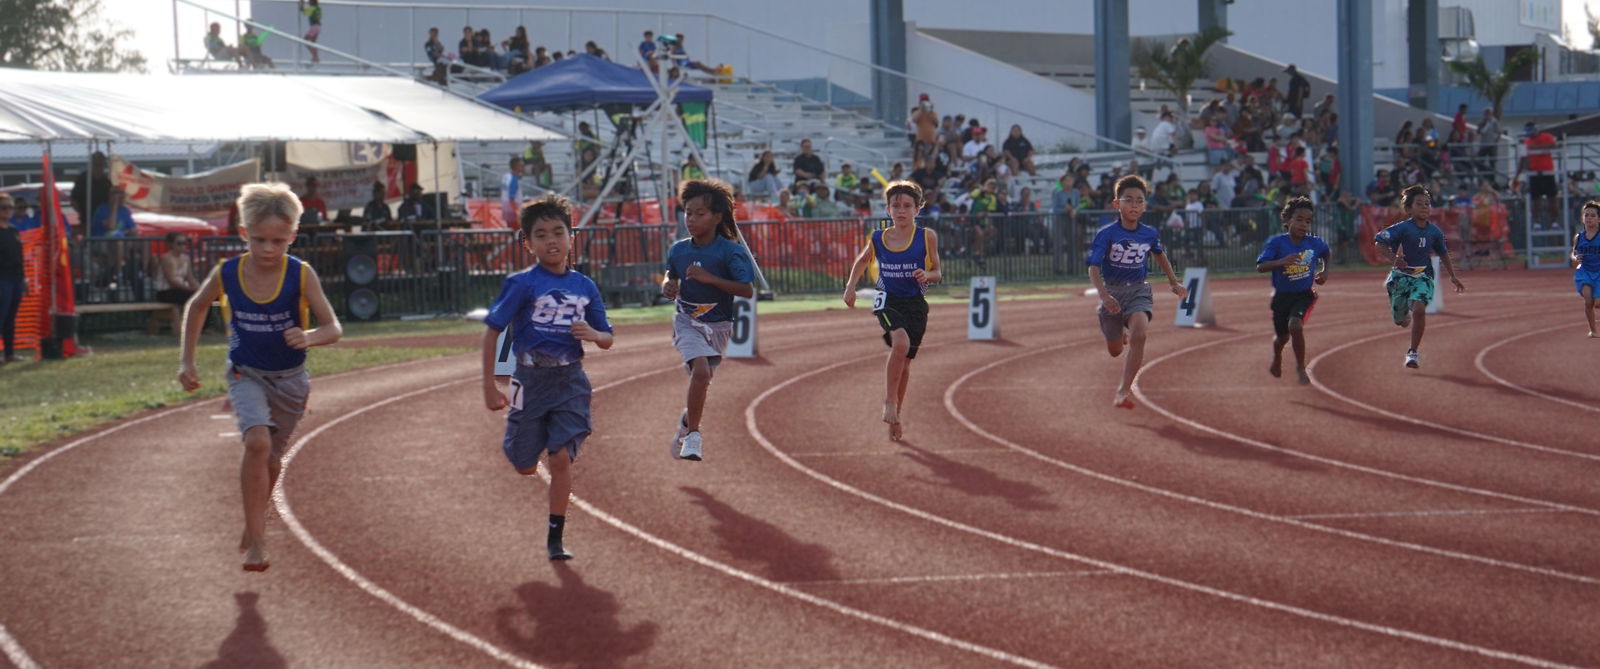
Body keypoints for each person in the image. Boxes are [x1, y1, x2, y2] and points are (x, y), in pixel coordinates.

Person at [177, 182, 343, 571]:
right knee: (256, 444)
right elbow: (198, 306)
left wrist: (309, 337)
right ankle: (257, 540)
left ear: (292, 237)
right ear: (243, 234)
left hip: (290, 380)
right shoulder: (228, 272)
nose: (268, 249)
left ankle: (255, 520)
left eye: (278, 241)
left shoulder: (301, 274)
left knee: (271, 460)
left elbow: (333, 327)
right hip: (245, 372)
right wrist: (187, 361)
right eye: (259, 240)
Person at [480, 194, 613, 561]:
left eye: (558, 232)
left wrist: (594, 335)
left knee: (559, 459)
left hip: (570, 382)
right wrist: (490, 384)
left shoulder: (585, 286)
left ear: (572, 236)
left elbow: (608, 338)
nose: (551, 241)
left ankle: (556, 538)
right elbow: (493, 331)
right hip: (529, 379)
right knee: (524, 462)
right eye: (541, 235)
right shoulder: (521, 284)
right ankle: (520, 445)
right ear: (528, 243)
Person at [660, 179, 755, 461]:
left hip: (720, 327)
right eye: (688, 212)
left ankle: (686, 425)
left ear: (717, 217)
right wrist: (667, 284)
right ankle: (694, 438)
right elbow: (671, 274)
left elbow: (746, 290)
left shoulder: (731, 252)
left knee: (701, 384)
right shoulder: (679, 250)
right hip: (687, 321)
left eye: (699, 213)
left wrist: (710, 278)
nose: (691, 219)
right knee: (700, 373)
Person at [841, 180, 941, 440]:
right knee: (900, 344)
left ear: (917, 210)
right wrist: (851, 287)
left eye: (907, 206)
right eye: (896, 206)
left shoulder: (926, 237)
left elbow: (938, 273)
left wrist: (926, 274)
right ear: (887, 210)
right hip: (887, 300)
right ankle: (889, 402)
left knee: (905, 365)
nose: (901, 211)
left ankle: (896, 415)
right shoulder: (879, 237)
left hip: (915, 304)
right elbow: (862, 261)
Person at [1086, 174, 1188, 409]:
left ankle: (1123, 390)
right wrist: (1104, 295)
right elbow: (1093, 267)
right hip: (1112, 291)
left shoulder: (1149, 233)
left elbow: (1159, 255)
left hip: (1139, 291)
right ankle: (1112, 322)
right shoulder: (1107, 234)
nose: (1134, 205)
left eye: (1139, 201)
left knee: (1140, 334)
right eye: (1128, 200)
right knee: (1114, 350)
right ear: (1116, 204)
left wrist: (1173, 281)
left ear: (1145, 206)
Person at [1373, 185, 1466, 369]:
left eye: (1427, 204)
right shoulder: (1402, 228)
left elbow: (1443, 254)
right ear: (1408, 209)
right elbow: (1379, 243)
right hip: (1400, 278)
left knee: (1419, 310)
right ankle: (1403, 316)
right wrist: (1394, 259)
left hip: (1423, 276)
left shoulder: (1435, 232)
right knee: (1401, 320)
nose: (1425, 207)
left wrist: (1453, 276)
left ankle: (1412, 352)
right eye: (1419, 204)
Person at [1255, 197, 1330, 384]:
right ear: (1287, 220)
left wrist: (1325, 270)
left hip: (1304, 294)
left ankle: (1300, 367)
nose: (1303, 224)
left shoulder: (1314, 243)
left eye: (1308, 221)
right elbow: (1261, 266)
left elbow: (1327, 252)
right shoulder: (1277, 243)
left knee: (1295, 326)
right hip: (1282, 297)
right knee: (1281, 338)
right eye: (1299, 219)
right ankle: (1277, 356)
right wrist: (1282, 261)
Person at [152, 232, 199, 336]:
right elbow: (171, 281)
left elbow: (190, 278)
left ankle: (203, 327)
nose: (183, 246)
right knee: (193, 297)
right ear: (171, 244)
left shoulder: (186, 258)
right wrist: (190, 289)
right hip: (166, 292)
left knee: (203, 296)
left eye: (184, 243)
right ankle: (187, 328)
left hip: (180, 290)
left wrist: (199, 288)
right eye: (179, 243)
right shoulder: (167, 258)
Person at [1517, 122, 1559, 228]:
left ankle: (1554, 221)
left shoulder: (1546, 137)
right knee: (1535, 199)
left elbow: (1554, 145)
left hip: (1548, 172)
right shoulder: (1527, 142)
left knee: (1552, 198)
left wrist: (1538, 147)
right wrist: (1517, 175)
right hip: (1534, 173)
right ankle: (1537, 221)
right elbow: (1522, 160)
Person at [0, 194, 23, 363]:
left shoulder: (13, 230)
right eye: (4, 207)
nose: (8, 211)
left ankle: (9, 353)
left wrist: (25, 279)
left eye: (10, 207)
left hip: (16, 279)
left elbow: (19, 256)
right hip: (2, 279)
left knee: (10, 318)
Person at [1571, 200, 1600, 337]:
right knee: (1588, 301)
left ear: (1599, 219)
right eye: (1586, 215)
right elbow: (1574, 253)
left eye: (1593, 215)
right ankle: (1593, 330)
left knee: (1598, 304)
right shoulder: (1579, 237)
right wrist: (1576, 258)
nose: (1589, 218)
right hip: (1585, 271)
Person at [502, 156, 524, 227]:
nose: (523, 167)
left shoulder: (506, 176)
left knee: (512, 231)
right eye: (521, 165)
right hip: (513, 209)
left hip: (506, 207)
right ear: (516, 166)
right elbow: (511, 198)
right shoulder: (514, 180)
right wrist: (517, 212)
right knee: (517, 232)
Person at [298, 0, 321, 64]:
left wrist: (302, 3)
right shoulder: (318, 8)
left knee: (306, 40)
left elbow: (303, 11)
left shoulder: (312, 8)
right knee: (312, 42)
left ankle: (315, 57)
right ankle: (315, 57)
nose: (309, 3)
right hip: (318, 26)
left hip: (313, 26)